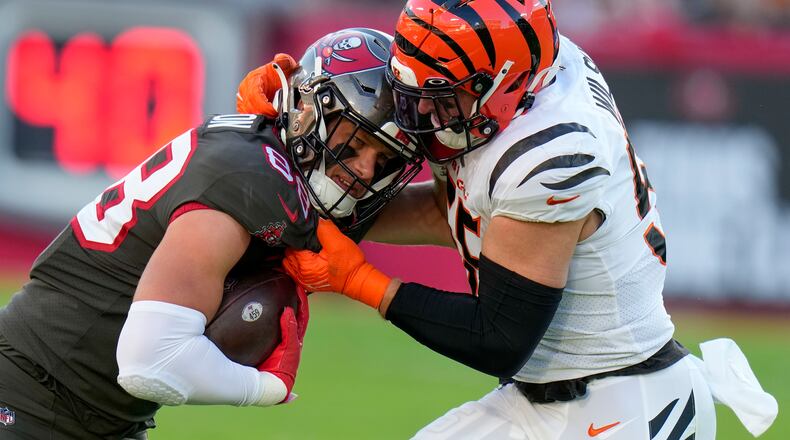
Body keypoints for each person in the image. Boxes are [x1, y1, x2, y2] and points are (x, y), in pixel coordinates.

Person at [278, 1, 778, 439]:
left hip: (629, 407)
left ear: (503, 82)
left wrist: (359, 280)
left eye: (445, 95)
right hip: (540, 398)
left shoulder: (553, 148)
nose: (423, 112)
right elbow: (452, 211)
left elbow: (498, 338)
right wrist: (286, 185)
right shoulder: (522, 77)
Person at [0, 27, 420, 440]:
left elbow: (444, 213)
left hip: (96, 414)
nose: (365, 169)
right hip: (32, 395)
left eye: (384, 158)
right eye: (356, 141)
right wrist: (266, 389)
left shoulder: (288, 175)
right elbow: (149, 363)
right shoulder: (250, 178)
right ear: (311, 109)